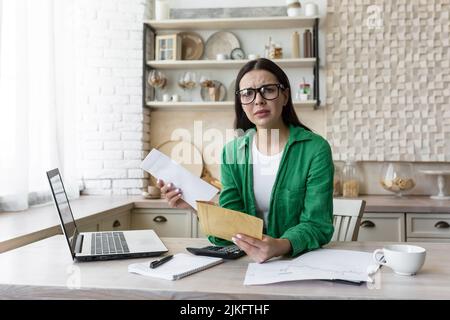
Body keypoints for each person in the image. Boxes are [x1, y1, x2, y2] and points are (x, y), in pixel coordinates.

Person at [157, 58, 334, 263]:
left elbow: (318, 225)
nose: (258, 100)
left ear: (285, 96)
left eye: (268, 90)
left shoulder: (315, 149)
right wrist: (197, 206)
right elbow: (231, 229)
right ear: (241, 103)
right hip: (246, 264)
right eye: (248, 94)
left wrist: (279, 245)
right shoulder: (232, 152)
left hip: (299, 262)